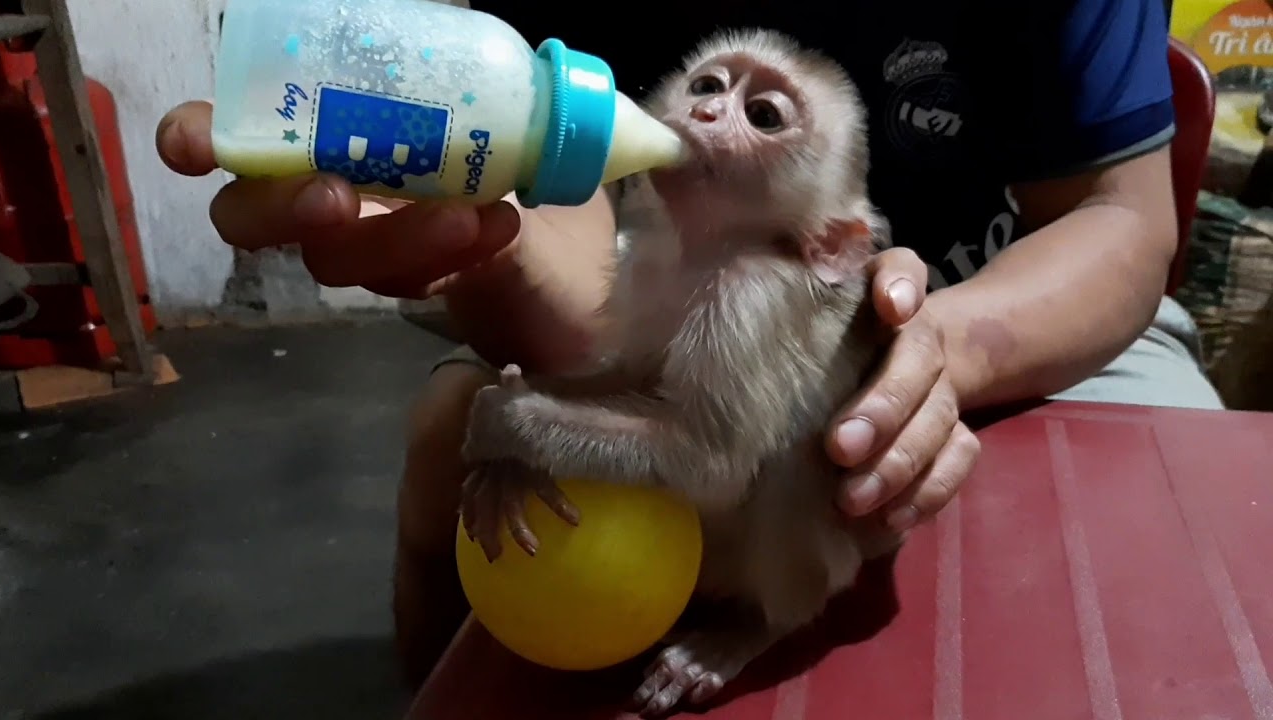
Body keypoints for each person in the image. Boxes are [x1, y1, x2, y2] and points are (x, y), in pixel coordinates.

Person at [155, 0, 1223, 687]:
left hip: (1027, 313)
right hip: (701, 390)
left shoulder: (769, 275)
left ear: (830, 234)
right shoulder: (671, 236)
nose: (713, 116)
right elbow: (578, 250)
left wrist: (952, 342)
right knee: (450, 433)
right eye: (707, 91)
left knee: (1164, 567)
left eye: (760, 116)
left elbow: (1123, 220)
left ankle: (749, 627)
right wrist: (480, 242)